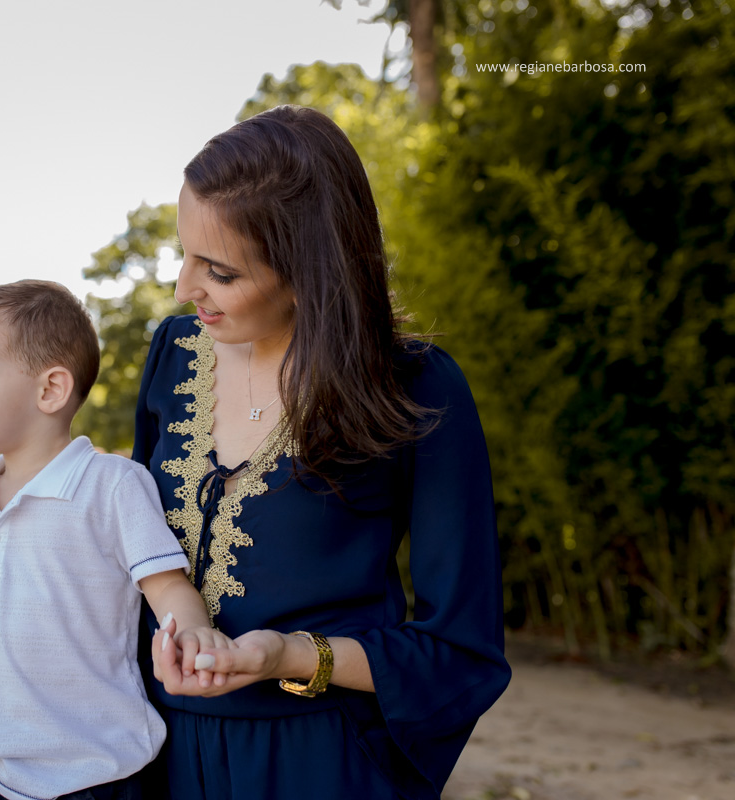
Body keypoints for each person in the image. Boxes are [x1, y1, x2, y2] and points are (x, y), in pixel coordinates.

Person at [135, 105, 512, 799]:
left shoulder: (416, 388)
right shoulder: (173, 356)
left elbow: (460, 651)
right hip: (161, 760)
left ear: (309, 271)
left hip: (322, 765)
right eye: (183, 253)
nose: (185, 289)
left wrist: (288, 654)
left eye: (217, 271)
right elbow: (125, 564)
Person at [0, 279, 231, 800]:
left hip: (96, 776)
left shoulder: (111, 486)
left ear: (50, 389)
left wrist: (193, 632)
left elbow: (165, 587)